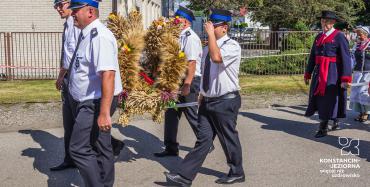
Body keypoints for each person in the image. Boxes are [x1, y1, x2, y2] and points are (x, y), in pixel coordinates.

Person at [165, 9, 245, 186]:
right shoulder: (208, 47)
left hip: (226, 100)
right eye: (209, 25)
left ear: (224, 28)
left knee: (228, 137)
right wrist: (202, 93)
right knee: (203, 140)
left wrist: (209, 36)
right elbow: (204, 72)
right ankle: (184, 177)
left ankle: (237, 171)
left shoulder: (232, 46)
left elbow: (217, 59)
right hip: (208, 100)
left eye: (213, 26)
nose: (209, 28)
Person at [67, 0, 123, 186]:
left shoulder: (99, 36)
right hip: (89, 100)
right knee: (102, 146)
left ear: (90, 11)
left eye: (76, 10)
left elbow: (108, 74)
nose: (72, 13)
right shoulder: (87, 33)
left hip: (95, 102)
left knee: (78, 148)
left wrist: (104, 113)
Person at [154, 6, 204, 157]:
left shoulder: (190, 37)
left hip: (189, 80)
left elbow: (192, 63)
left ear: (185, 21)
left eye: (176, 19)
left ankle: (205, 142)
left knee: (191, 113)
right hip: (177, 80)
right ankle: (171, 147)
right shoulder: (178, 36)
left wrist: (187, 84)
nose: (173, 21)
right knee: (171, 113)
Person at [304, 10, 352, 138]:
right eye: (323, 21)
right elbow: (313, 56)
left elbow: (346, 58)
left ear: (333, 23)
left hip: (333, 73)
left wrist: (345, 78)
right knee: (319, 98)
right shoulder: (319, 37)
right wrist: (308, 72)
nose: (324, 23)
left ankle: (323, 127)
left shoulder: (339, 36)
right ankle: (331, 121)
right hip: (319, 73)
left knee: (330, 99)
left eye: (328, 21)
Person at [51, 0, 80, 171]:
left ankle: (110, 146)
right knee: (69, 122)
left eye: (60, 4)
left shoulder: (75, 25)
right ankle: (70, 159)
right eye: (55, 5)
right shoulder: (68, 24)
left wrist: (60, 77)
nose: (57, 8)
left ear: (70, 3)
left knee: (80, 122)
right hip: (69, 78)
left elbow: (70, 57)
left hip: (74, 78)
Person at [350, 26, 370, 122]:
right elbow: (352, 59)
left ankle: (366, 113)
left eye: (360, 34)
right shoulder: (356, 45)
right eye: (357, 35)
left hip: (368, 72)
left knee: (364, 92)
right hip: (358, 72)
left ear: (366, 34)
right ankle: (361, 112)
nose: (358, 36)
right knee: (357, 92)